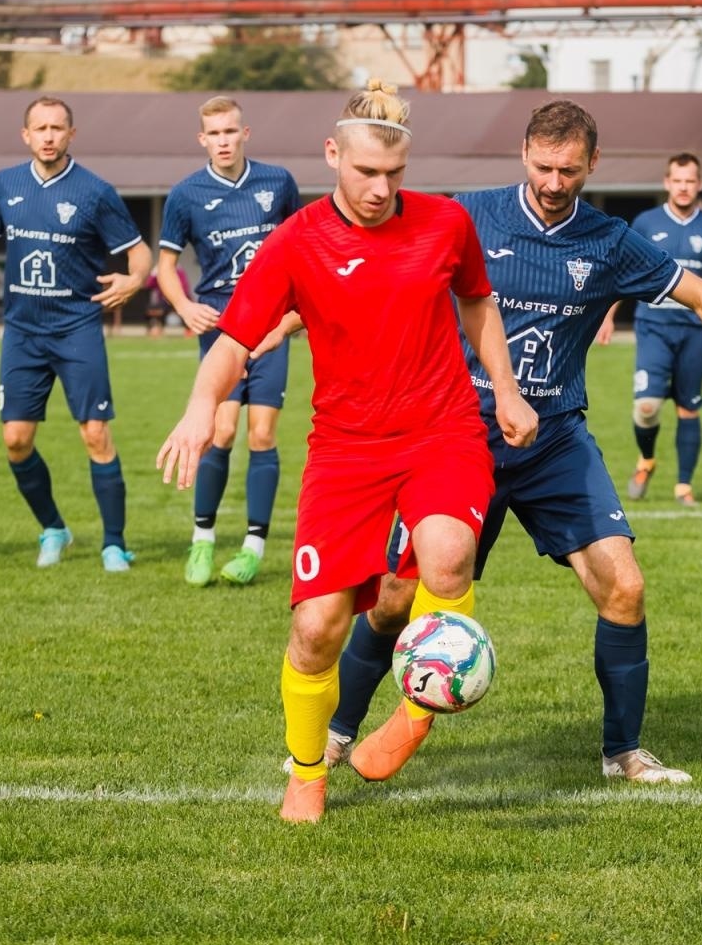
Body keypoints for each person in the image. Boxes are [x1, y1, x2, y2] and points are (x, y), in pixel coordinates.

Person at [323, 101, 702, 788]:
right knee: (395, 595)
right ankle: (335, 734)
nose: (553, 181)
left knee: (624, 586)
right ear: (523, 155)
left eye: (568, 170)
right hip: (458, 436)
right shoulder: (468, 216)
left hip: (554, 440)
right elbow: (368, 243)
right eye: (543, 166)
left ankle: (624, 752)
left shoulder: (608, 241)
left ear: (592, 165)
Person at [158, 81, 540, 824]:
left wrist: (507, 387)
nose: (380, 189)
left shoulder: (445, 224)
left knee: (449, 553)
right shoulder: (296, 241)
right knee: (315, 630)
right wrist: (200, 407)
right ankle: (307, 772)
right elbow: (236, 339)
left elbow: (478, 301)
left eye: (394, 174)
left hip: (442, 430)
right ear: (333, 155)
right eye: (366, 172)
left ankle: (418, 711)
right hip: (345, 451)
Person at [0, 96, 153, 570]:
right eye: (40, 128)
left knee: (95, 433)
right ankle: (54, 529)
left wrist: (134, 279)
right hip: (22, 331)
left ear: (71, 135)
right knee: (16, 439)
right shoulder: (6, 184)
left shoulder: (94, 192)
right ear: (26, 135)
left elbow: (138, 253)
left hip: (76, 328)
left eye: (57, 128)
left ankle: (114, 543)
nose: (49, 136)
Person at [155, 96, 302, 588]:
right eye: (214, 133)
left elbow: (299, 249)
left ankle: (253, 549)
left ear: (246, 134)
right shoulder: (186, 194)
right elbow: (166, 266)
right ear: (203, 139)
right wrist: (183, 306)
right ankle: (202, 541)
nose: (223, 140)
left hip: (271, 329)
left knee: (262, 434)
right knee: (219, 432)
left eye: (230, 131)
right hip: (222, 330)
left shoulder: (277, 183)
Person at [598, 153, 702, 507]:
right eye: (677, 180)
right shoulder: (645, 224)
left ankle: (683, 487)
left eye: (690, 181)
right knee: (646, 407)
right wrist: (607, 315)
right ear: (667, 183)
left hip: (693, 333)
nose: (684, 187)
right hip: (654, 329)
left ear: (698, 183)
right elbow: (624, 275)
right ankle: (646, 459)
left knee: (688, 409)